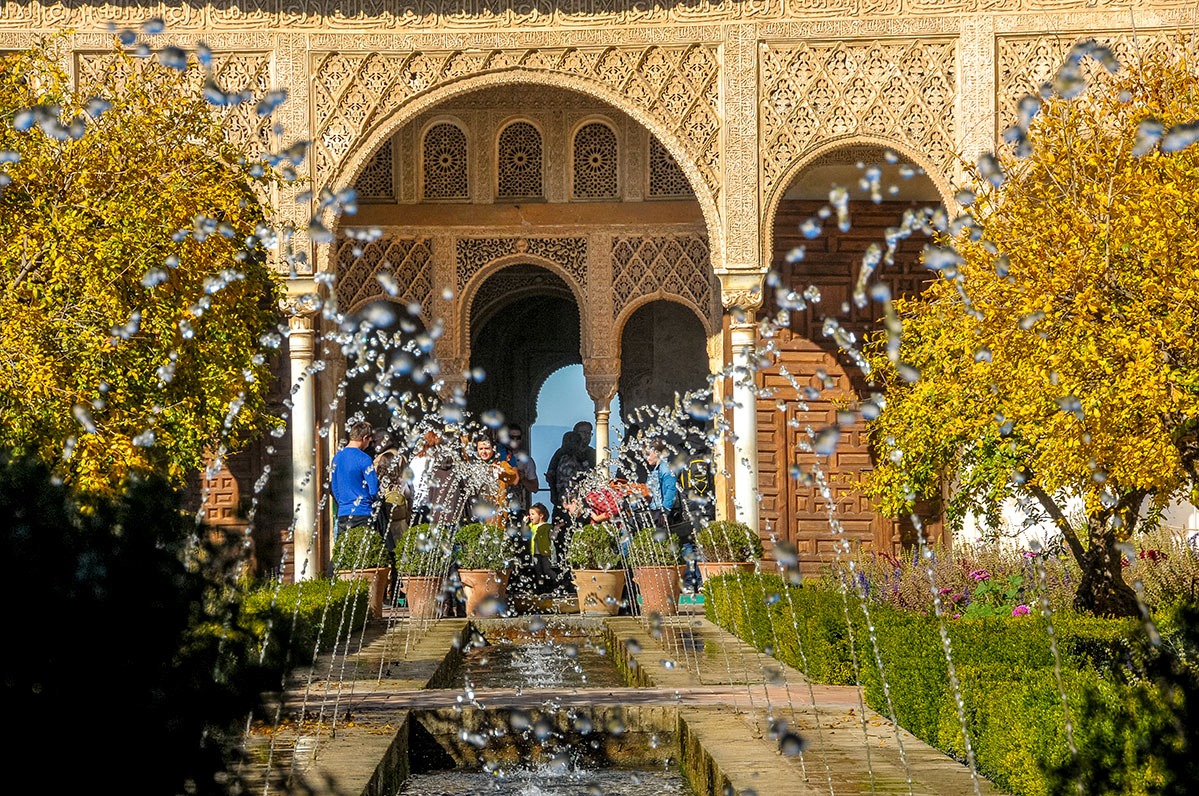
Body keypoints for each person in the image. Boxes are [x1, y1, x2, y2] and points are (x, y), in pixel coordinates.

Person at [644, 439, 698, 592]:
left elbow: (671, 491)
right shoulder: (658, 469)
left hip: (667, 512)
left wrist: (664, 511)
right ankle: (687, 581)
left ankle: (690, 582)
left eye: (648, 454)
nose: (646, 458)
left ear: (657, 453)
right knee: (676, 544)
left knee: (683, 544)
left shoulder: (665, 469)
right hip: (660, 511)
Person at [329, 420, 379, 573]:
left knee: (343, 554)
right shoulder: (364, 459)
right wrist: (370, 501)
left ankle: (335, 585)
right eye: (369, 439)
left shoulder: (337, 458)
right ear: (364, 438)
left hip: (344, 513)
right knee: (365, 557)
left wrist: (343, 502)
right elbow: (374, 488)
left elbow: (334, 487)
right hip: (363, 513)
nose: (369, 443)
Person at [372, 429, 412, 606]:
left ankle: (382, 597)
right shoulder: (401, 458)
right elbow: (409, 491)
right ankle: (400, 598)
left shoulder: (378, 465)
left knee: (385, 557)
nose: (373, 444)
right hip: (401, 521)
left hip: (384, 521)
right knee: (400, 560)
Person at [498, 422, 539, 519]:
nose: (515, 440)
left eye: (518, 437)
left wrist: (523, 478)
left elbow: (535, 488)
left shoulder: (527, 460)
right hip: (498, 507)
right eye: (512, 437)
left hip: (518, 509)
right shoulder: (497, 457)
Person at [546, 429, 588, 524]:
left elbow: (551, 475)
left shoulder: (561, 456)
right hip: (570, 498)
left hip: (563, 498)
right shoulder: (568, 457)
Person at [526, 502, 555, 594]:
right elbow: (524, 532)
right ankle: (540, 587)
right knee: (538, 571)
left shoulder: (548, 526)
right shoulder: (531, 526)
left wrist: (557, 528)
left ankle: (556, 579)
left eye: (532, 514)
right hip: (535, 553)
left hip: (545, 553)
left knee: (547, 569)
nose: (530, 516)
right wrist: (524, 522)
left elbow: (553, 537)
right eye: (530, 514)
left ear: (541, 515)